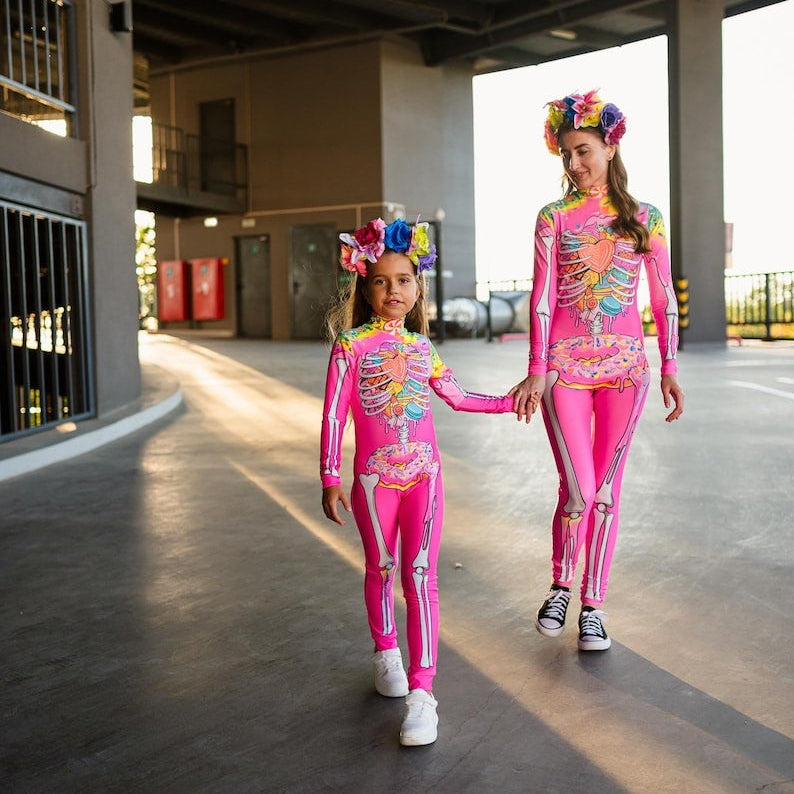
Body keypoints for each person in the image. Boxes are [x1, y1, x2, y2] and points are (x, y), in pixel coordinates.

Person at [321, 217, 528, 746]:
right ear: (367, 290)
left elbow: (458, 397)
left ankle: (423, 693)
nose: (395, 290)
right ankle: (386, 651)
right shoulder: (350, 346)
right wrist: (329, 475)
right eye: (382, 281)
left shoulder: (422, 350)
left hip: (425, 478)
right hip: (372, 481)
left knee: (420, 577)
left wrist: (513, 399)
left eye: (405, 280)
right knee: (381, 566)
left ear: (418, 289)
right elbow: (333, 416)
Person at [510, 90, 685, 652]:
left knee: (605, 491)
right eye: (566, 155)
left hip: (626, 373)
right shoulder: (553, 218)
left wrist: (669, 366)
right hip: (565, 371)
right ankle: (561, 580)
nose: (575, 164)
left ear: (610, 146)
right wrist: (537, 367)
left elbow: (663, 301)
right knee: (579, 490)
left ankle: (592, 604)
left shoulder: (645, 218)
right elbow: (542, 299)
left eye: (583, 150)